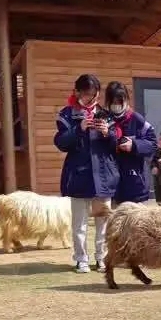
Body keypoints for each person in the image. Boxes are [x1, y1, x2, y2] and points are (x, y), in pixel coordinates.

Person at [53, 73, 117, 273]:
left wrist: (108, 133)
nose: (91, 97)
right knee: (79, 223)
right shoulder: (66, 114)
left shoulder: (105, 113)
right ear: (78, 92)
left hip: (103, 177)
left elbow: (116, 144)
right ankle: (81, 259)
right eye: (87, 93)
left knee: (103, 222)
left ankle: (102, 258)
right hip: (79, 175)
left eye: (94, 93)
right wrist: (79, 128)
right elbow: (61, 143)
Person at [102, 82, 157, 207]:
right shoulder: (103, 119)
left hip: (134, 183)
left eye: (119, 101)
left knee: (137, 224)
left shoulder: (137, 119)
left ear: (126, 100)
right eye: (113, 102)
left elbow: (152, 144)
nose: (117, 105)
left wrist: (134, 145)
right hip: (110, 185)